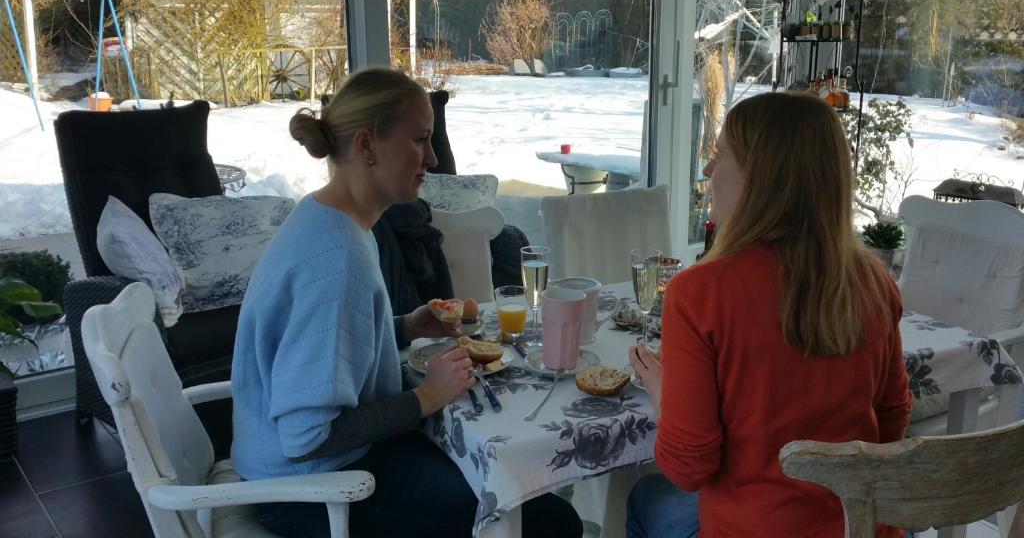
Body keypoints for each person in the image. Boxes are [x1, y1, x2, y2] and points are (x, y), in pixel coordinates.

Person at [231, 68, 582, 538]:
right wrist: (426, 396)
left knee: (510, 478)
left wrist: (405, 327)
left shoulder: (330, 218)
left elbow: (325, 344)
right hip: (312, 493)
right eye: (419, 140)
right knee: (550, 524)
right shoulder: (337, 258)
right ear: (367, 146)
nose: (433, 158)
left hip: (316, 468)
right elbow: (307, 436)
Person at [627, 92, 913, 538]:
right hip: (862, 528)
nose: (707, 172)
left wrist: (665, 392)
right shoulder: (874, 282)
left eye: (720, 157)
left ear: (761, 179)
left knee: (645, 498)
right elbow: (892, 421)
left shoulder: (700, 293)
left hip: (753, 528)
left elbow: (688, 467)